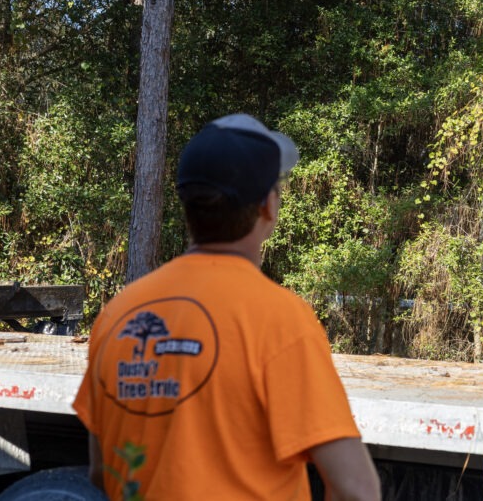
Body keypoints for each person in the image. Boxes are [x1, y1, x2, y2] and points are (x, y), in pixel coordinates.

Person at [73, 114, 380, 500]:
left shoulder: (118, 315)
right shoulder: (280, 319)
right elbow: (357, 489)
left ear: (187, 208)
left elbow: (102, 472)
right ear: (268, 206)